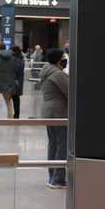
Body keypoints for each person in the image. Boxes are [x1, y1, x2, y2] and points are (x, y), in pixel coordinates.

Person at [40, 49, 69, 189]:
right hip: (59, 113)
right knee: (62, 145)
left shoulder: (47, 71)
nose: (65, 60)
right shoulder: (58, 74)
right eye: (63, 58)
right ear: (59, 60)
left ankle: (52, 176)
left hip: (48, 111)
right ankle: (58, 179)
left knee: (53, 144)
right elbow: (71, 92)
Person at [10, 45, 25, 119]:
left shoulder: (16, 59)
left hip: (15, 81)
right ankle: (16, 114)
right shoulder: (20, 58)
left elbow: (15, 70)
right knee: (16, 98)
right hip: (19, 81)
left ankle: (16, 114)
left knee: (14, 98)